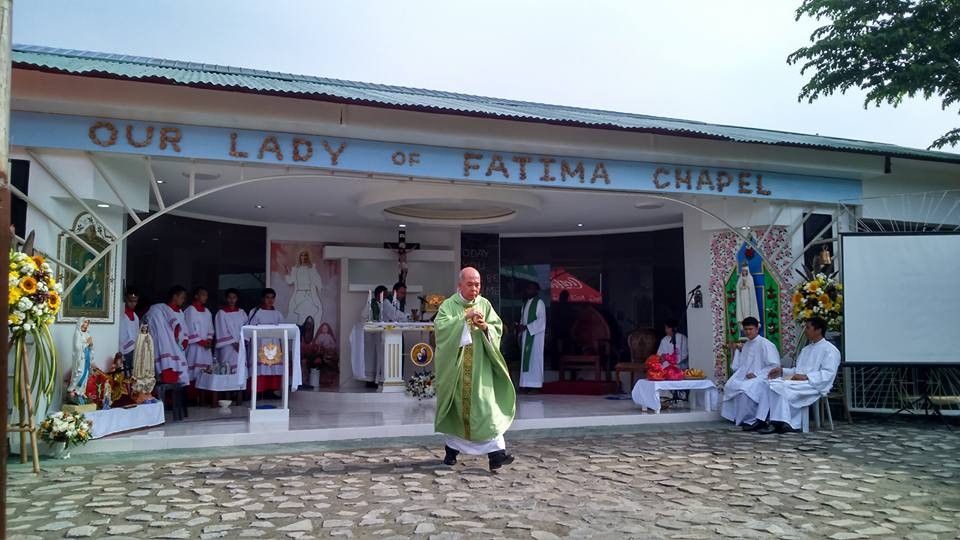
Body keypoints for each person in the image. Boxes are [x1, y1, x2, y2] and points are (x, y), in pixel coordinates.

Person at [434, 267, 516, 472]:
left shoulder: (485, 304)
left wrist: (486, 327)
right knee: (457, 411)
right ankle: (451, 451)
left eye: (477, 284)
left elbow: (497, 328)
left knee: (488, 409)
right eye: (470, 284)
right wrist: (464, 317)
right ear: (459, 285)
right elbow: (441, 330)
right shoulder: (449, 305)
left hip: (481, 369)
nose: (474, 288)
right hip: (458, 371)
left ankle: (496, 455)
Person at [755, 317, 841, 434]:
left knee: (780, 387)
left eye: (808, 327)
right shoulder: (806, 349)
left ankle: (781, 423)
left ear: (818, 330)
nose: (805, 330)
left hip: (814, 384)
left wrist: (807, 377)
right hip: (800, 382)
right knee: (769, 384)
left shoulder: (830, 350)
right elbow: (798, 371)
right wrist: (782, 371)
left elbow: (828, 373)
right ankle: (762, 419)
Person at [721, 316, 781, 428]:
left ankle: (750, 419)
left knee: (745, 388)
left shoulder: (766, 344)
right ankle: (736, 417)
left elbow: (774, 366)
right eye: (746, 329)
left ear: (757, 329)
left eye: (750, 329)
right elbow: (741, 366)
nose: (748, 332)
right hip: (747, 376)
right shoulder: (747, 345)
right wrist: (738, 351)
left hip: (764, 378)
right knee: (731, 385)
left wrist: (757, 374)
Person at [145, 286, 190, 385]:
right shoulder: (159, 310)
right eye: (182, 297)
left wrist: (184, 342)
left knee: (177, 382)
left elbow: (183, 330)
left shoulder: (181, 313)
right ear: (175, 297)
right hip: (164, 348)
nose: (183, 300)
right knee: (165, 379)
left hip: (177, 349)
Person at [247, 288, 286, 396]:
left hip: (274, 345)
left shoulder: (277, 314)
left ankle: (271, 391)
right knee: (260, 368)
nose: (270, 300)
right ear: (262, 298)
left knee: (273, 369)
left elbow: (283, 330)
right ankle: (258, 391)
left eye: (272, 298)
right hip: (260, 344)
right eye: (267, 297)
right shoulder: (255, 312)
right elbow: (250, 328)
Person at [351, 285, 390, 389]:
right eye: (385, 295)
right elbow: (363, 316)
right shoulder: (370, 304)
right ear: (379, 295)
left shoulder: (385, 305)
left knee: (380, 359)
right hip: (371, 337)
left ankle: (379, 380)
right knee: (371, 360)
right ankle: (370, 381)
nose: (387, 297)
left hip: (380, 336)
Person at [518, 281, 546, 391]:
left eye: (532, 289)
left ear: (536, 291)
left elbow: (541, 321)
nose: (530, 291)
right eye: (528, 288)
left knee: (534, 360)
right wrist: (520, 328)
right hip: (526, 337)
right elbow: (522, 319)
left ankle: (536, 386)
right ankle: (525, 384)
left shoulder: (539, 303)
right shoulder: (525, 304)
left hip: (535, 337)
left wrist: (527, 327)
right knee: (526, 361)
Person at [284, 250, 323, 329]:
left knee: (310, 313)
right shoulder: (296, 269)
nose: (304, 257)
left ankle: (309, 335)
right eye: (302, 255)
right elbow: (290, 281)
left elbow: (317, 280)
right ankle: (299, 333)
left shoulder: (312, 269)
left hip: (309, 295)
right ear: (300, 257)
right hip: (299, 294)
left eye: (305, 255)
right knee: (297, 314)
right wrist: (287, 272)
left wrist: (321, 288)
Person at [184, 287, 215, 381]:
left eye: (206, 295)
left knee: (206, 372)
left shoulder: (207, 311)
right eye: (203, 294)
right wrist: (201, 342)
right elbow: (189, 327)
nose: (205, 297)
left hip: (206, 347)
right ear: (196, 296)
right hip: (195, 347)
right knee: (194, 373)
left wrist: (209, 339)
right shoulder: (190, 310)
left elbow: (210, 327)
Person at [214, 288, 247, 376]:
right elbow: (221, 329)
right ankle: (226, 389)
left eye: (234, 297)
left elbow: (246, 328)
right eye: (229, 298)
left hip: (240, 345)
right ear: (226, 298)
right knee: (227, 368)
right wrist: (233, 343)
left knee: (240, 368)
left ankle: (239, 389)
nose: (232, 300)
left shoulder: (241, 312)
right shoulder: (221, 313)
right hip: (227, 346)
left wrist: (242, 342)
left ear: (237, 299)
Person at [66, 318, 93, 405]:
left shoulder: (87, 334)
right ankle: (72, 389)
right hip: (80, 358)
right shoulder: (77, 334)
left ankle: (80, 391)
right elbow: (77, 347)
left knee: (85, 374)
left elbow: (91, 346)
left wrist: (91, 345)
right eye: (85, 322)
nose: (86, 324)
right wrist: (87, 343)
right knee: (79, 373)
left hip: (87, 356)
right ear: (81, 323)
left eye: (87, 322)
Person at [130, 324, 156, 403]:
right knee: (140, 369)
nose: (145, 329)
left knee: (147, 367)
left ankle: (146, 392)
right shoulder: (139, 337)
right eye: (143, 327)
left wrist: (148, 344)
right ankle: (139, 392)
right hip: (141, 357)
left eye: (146, 328)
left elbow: (151, 348)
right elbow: (138, 349)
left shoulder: (149, 336)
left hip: (148, 356)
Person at [118, 288, 140, 376]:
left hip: (135, 350)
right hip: (124, 351)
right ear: (126, 299)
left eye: (135, 301)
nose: (133, 303)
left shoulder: (136, 317)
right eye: (131, 301)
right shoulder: (121, 315)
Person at [735, 263, 761, 329]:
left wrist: (746, 284)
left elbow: (751, 287)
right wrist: (741, 284)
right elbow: (738, 287)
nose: (744, 272)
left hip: (749, 297)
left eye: (745, 271)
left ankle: (751, 322)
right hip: (742, 297)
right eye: (743, 271)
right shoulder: (740, 279)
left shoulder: (750, 278)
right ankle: (743, 322)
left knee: (749, 309)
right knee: (743, 309)